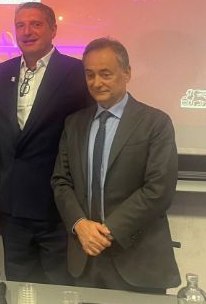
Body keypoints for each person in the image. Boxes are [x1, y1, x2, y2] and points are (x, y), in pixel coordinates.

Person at [51, 38, 180, 293]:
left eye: (105, 74)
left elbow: (159, 189)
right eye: (90, 75)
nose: (96, 82)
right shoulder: (74, 124)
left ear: (127, 73)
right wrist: (80, 224)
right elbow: (61, 181)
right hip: (85, 258)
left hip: (137, 260)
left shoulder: (155, 123)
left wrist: (106, 232)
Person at [0, 2, 89, 284]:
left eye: (36, 24)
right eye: (20, 25)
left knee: (59, 290)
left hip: (57, 208)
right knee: (20, 289)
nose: (27, 31)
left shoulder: (77, 73)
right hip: (12, 208)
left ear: (53, 30)